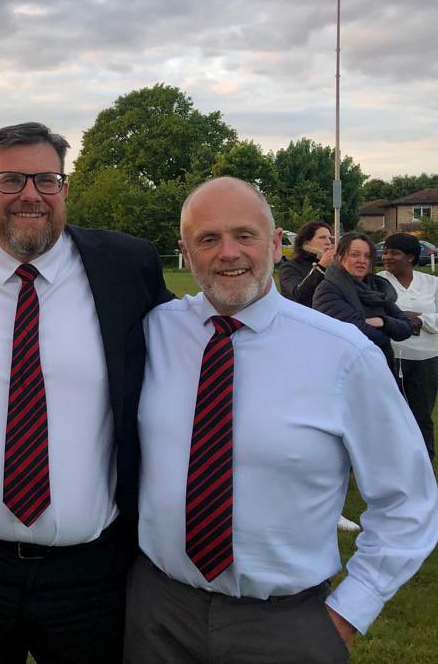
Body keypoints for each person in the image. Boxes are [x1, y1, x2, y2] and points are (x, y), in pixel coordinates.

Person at [127, 177, 438, 663]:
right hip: (158, 614)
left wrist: (349, 613)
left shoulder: (344, 354)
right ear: (185, 251)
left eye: (245, 235)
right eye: (208, 239)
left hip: (286, 625)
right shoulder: (155, 331)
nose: (228, 252)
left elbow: (408, 500)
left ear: (274, 244)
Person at [0, 122, 172, 662]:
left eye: (46, 179)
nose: (31, 194)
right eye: (10, 180)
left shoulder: (126, 265)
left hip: (91, 570)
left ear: (64, 190)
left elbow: (192, 332)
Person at [313, 231, 413, 374]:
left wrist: (383, 321)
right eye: (355, 254)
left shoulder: (379, 288)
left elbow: (407, 328)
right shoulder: (328, 291)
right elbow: (355, 333)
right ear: (340, 257)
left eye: (367, 256)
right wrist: (391, 331)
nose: (362, 260)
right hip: (346, 372)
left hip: (381, 369)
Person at [379, 232, 438, 461]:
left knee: (421, 415)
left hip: (426, 359)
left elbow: (391, 317)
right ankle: (394, 462)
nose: (387, 257)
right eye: (385, 252)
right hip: (390, 357)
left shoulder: (432, 283)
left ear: (411, 257)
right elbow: (379, 315)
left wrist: (419, 319)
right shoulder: (379, 282)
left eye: (394, 252)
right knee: (391, 415)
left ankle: (424, 461)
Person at [278, 220, 334, 305]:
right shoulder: (289, 267)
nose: (328, 242)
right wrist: (321, 267)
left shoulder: (333, 267)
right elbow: (297, 295)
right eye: (322, 238)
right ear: (306, 242)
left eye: (329, 238)